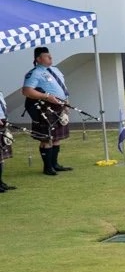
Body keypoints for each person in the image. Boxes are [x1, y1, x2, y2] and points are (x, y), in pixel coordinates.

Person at [20, 46, 72, 177]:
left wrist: (66, 102)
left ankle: (55, 164)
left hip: (60, 106)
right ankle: (47, 167)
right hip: (45, 107)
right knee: (46, 138)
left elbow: (62, 87)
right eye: (47, 56)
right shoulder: (34, 73)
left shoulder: (55, 70)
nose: (50, 57)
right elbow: (27, 91)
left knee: (56, 138)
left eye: (50, 55)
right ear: (38, 59)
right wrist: (47, 96)